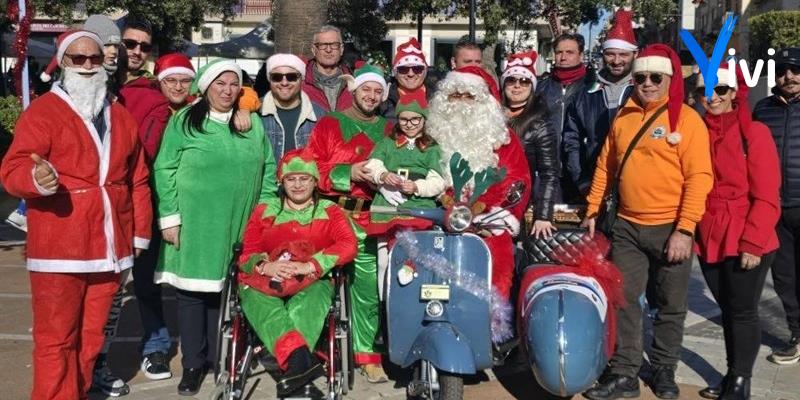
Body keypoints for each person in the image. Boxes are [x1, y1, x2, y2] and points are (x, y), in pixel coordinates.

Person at [0, 30, 151, 400]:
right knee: (56, 340)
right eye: (78, 59)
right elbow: (13, 168)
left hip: (110, 246)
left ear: (104, 64)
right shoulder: (43, 112)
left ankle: (78, 393)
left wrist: (139, 235)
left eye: (94, 59)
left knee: (90, 339)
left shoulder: (120, 114)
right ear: (64, 63)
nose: (87, 66)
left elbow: (139, 179)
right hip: (59, 246)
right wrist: (36, 177)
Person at [581, 44, 713, 400]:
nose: (648, 83)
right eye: (641, 77)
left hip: (671, 227)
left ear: (669, 80)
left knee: (670, 305)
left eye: (656, 77)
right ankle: (625, 374)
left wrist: (685, 230)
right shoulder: (623, 117)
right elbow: (605, 168)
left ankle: (664, 369)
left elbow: (700, 178)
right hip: (626, 226)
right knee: (623, 299)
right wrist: (592, 210)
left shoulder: (687, 120)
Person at [152, 59, 278, 395]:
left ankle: (223, 357)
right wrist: (170, 217)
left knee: (225, 294)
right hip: (196, 224)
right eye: (220, 84)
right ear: (206, 87)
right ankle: (193, 363)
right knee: (193, 294)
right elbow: (165, 168)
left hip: (239, 224)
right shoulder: (185, 121)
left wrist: (264, 214)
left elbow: (268, 170)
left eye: (233, 84)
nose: (227, 90)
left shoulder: (251, 124)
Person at [238, 150, 357, 397]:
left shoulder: (329, 210)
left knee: (308, 306)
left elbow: (348, 244)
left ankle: (293, 370)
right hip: (266, 278)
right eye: (291, 179)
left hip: (311, 278)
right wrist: (264, 265)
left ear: (315, 182)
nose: (298, 184)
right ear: (281, 182)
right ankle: (300, 367)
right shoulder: (266, 210)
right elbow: (247, 252)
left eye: (305, 178)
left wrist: (312, 264)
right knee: (261, 304)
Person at [694, 63, 781, 400]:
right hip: (710, 232)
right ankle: (732, 374)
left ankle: (741, 382)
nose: (711, 97)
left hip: (746, 232)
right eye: (704, 91)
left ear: (734, 93)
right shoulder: (698, 129)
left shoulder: (754, 132)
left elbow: (767, 193)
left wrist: (753, 242)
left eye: (720, 90)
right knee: (727, 309)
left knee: (743, 310)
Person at [305, 63, 392, 382]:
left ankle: (368, 355)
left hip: (371, 218)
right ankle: (314, 351)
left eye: (378, 91)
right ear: (353, 90)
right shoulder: (330, 124)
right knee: (318, 285)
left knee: (368, 290)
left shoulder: (389, 129)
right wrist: (348, 173)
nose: (371, 95)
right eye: (366, 89)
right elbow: (309, 170)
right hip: (333, 216)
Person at [426, 66, 532, 304]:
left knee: (498, 264)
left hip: (487, 221)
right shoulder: (430, 134)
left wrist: (498, 213)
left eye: (469, 96)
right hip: (436, 218)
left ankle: (491, 329)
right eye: (455, 95)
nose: (461, 103)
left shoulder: (501, 137)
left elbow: (517, 178)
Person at [753, 47, 800, 365]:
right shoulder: (762, 109)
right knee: (784, 276)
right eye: (782, 71)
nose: (789, 77)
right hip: (775, 207)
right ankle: (796, 335)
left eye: (795, 70)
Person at [562, 10, 637, 203]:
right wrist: (582, 181)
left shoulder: (642, 91)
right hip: (592, 184)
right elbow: (572, 141)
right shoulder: (585, 94)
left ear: (635, 54)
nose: (617, 60)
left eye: (623, 54)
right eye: (610, 54)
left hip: (634, 188)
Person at [500, 50, 559, 239]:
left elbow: (549, 173)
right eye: (511, 80)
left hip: (517, 200)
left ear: (532, 86)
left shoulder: (540, 122)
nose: (517, 86)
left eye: (524, 81)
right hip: (486, 199)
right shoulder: (490, 115)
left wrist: (543, 215)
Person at [260, 53, 326, 160]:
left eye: (291, 77)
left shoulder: (320, 115)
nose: (284, 83)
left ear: (301, 79)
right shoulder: (256, 112)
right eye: (277, 77)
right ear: (269, 80)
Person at [536, 33, 595, 145]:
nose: (563, 58)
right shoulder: (540, 87)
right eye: (559, 52)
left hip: (580, 158)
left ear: (581, 55)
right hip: (547, 156)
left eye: (569, 52)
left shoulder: (592, 88)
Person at [379, 38, 437, 122]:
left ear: (425, 72)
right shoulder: (383, 98)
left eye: (417, 68)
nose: (410, 74)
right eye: (403, 69)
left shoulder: (438, 97)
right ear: (395, 73)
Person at [303, 25, 353, 112]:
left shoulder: (354, 83)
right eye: (322, 45)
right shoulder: (301, 83)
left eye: (334, 45)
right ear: (313, 50)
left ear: (341, 49)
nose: (329, 50)